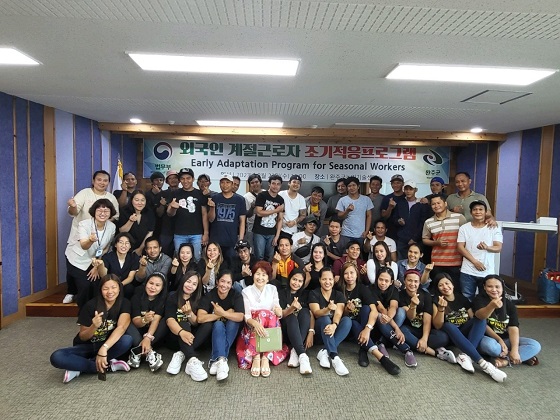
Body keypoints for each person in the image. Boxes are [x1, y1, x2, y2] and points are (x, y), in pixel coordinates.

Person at [50, 275, 133, 383]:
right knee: (57, 356)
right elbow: (83, 337)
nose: (110, 292)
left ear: (119, 288)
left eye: (114, 287)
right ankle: (104, 366)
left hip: (107, 345)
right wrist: (94, 326)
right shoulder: (90, 306)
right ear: (100, 290)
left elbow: (121, 328)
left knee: (127, 340)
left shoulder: (124, 303)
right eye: (105, 288)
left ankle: (79, 367)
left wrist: (104, 349)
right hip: (87, 346)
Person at [432, 273, 507, 382]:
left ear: (453, 284)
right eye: (441, 285)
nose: (445, 287)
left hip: (464, 333)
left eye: (447, 283)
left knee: (480, 319)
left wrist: (498, 338)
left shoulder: (461, 298)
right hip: (450, 334)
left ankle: (465, 356)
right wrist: (441, 308)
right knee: (448, 325)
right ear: (437, 288)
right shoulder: (437, 300)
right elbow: (438, 325)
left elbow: (474, 319)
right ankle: (484, 365)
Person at [63, 170, 119, 303]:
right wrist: (72, 206)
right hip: (80, 241)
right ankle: (72, 293)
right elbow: (73, 211)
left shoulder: (111, 199)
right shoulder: (84, 193)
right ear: (93, 181)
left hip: (97, 248)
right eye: (99, 180)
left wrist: (102, 225)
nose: (102, 182)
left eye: (105, 180)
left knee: (94, 282)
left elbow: (115, 216)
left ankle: (89, 303)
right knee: (79, 276)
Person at [340, 262, 401, 375]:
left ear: (357, 274)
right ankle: (380, 357)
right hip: (347, 328)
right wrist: (347, 310)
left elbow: (374, 310)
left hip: (363, 328)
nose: (349, 276)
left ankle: (363, 349)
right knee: (351, 322)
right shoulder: (339, 289)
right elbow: (340, 316)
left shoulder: (362, 288)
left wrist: (367, 329)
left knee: (366, 308)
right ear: (342, 275)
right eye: (346, 273)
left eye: (352, 273)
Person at [474, 275, 541, 368]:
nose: (494, 290)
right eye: (490, 286)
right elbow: (481, 318)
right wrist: (491, 306)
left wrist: (515, 349)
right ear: (484, 287)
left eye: (497, 287)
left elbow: (513, 327)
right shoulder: (479, 300)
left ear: (502, 287)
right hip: (488, 339)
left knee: (535, 345)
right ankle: (521, 357)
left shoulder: (509, 304)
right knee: (490, 347)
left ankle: (505, 361)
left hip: (506, 339)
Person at [236, 261, 289, 377]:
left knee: (269, 315)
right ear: (253, 275)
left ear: (268, 278)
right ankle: (256, 356)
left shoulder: (272, 289)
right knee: (261, 315)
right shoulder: (246, 291)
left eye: (264, 275)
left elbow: (276, 307)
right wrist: (256, 324)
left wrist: (278, 310)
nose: (260, 278)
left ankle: (265, 357)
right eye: (258, 274)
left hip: (270, 326)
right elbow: (247, 316)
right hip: (252, 327)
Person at [399, 269, 455, 364]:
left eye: (416, 281)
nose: (412, 284)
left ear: (419, 282)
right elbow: (410, 317)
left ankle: (413, 344)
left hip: (425, 330)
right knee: (402, 331)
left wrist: (424, 339)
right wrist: (413, 306)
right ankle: (435, 352)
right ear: (404, 281)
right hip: (410, 329)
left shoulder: (426, 295)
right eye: (409, 280)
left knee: (443, 337)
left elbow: (427, 320)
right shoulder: (400, 295)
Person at [197, 270, 245, 381]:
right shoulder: (210, 295)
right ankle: (222, 360)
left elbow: (240, 317)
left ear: (231, 284)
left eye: (228, 283)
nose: (225, 285)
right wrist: (221, 314)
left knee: (233, 322)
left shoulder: (236, 295)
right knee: (218, 324)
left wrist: (223, 313)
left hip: (231, 331)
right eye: (222, 281)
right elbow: (200, 318)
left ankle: (216, 359)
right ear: (217, 282)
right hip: (215, 334)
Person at [164, 270, 208, 380]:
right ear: (183, 281)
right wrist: (182, 332)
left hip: (192, 338)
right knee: (183, 322)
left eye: (194, 284)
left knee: (207, 325)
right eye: (188, 281)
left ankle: (181, 354)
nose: (190, 286)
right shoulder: (172, 296)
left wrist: (189, 313)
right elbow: (169, 320)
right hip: (175, 336)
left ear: (197, 287)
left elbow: (196, 323)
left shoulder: (199, 299)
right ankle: (192, 358)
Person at [308, 267, 352, 376]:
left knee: (347, 321)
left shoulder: (338, 295)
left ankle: (324, 351)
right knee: (325, 318)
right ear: (319, 280)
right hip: (320, 330)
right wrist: (327, 309)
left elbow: (338, 313)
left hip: (332, 330)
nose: (327, 282)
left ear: (334, 280)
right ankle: (334, 356)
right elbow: (316, 313)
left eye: (330, 279)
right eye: (324, 279)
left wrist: (334, 325)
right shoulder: (313, 293)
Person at [457, 200, 503, 300]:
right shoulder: (464, 228)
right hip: (467, 271)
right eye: (475, 209)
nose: (478, 212)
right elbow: (460, 247)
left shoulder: (493, 227)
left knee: (486, 299)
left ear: (486, 212)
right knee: (466, 298)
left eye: (481, 209)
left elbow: (498, 247)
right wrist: (475, 262)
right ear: (471, 212)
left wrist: (487, 247)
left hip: (487, 271)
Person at [371, 267, 417, 367]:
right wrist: (396, 328)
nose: (383, 283)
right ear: (377, 279)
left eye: (386, 281)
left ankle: (382, 341)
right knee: (380, 316)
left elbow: (393, 307)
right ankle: (406, 349)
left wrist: (390, 318)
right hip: (376, 325)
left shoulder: (394, 290)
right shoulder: (371, 289)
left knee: (401, 312)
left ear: (391, 282)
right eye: (381, 279)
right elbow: (382, 309)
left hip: (389, 323)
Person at [422, 194, 467, 288]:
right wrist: (436, 243)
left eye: (439, 203)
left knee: (455, 289)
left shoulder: (459, 217)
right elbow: (425, 239)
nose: (436, 206)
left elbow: (467, 237)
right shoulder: (428, 222)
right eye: (433, 204)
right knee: (439, 289)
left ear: (445, 203)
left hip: (456, 262)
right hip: (437, 262)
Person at [126, 272, 168, 372]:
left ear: (162, 288)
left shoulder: (163, 299)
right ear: (146, 283)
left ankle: (138, 351)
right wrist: (144, 320)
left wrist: (148, 338)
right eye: (151, 283)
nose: (153, 287)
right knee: (126, 322)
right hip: (138, 332)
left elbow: (156, 320)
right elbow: (135, 321)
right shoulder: (136, 297)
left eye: (157, 285)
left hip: (153, 335)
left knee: (166, 321)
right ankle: (149, 352)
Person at [167, 167, 209, 261]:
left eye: (188, 178)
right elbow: (169, 214)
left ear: (193, 179)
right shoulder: (175, 193)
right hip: (179, 233)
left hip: (197, 234)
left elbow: (204, 215)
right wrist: (173, 208)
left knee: (197, 259)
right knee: (180, 259)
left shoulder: (200, 194)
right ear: (180, 180)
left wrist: (206, 233)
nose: (185, 181)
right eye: (182, 178)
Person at [278, 269, 314, 375]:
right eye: (294, 279)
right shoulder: (281, 293)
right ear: (289, 279)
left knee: (305, 311)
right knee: (291, 317)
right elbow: (280, 314)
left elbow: (311, 314)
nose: (296, 283)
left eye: (300, 281)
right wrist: (292, 308)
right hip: (285, 330)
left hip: (300, 332)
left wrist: (311, 331)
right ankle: (302, 355)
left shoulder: (305, 294)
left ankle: (295, 351)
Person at [207, 174, 247, 262]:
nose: (225, 185)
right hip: (216, 240)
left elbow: (242, 221)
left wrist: (240, 239)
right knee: (215, 264)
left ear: (232, 184)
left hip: (231, 241)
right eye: (222, 182)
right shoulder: (214, 198)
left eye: (227, 182)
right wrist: (212, 208)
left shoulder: (240, 199)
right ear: (219, 184)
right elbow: (210, 219)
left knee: (231, 264)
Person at [95, 232, 140, 299]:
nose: (124, 245)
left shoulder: (134, 257)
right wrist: (101, 265)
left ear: (130, 246)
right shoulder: (108, 257)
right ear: (115, 244)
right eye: (121, 242)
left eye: (127, 243)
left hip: (124, 284)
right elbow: (104, 275)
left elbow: (130, 277)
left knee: (129, 288)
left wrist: (119, 285)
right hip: (109, 284)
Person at [252, 174, 285, 261]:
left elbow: (280, 219)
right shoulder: (262, 195)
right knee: (259, 257)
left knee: (270, 258)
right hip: (259, 232)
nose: (275, 186)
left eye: (278, 184)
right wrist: (276, 210)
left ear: (280, 186)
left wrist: (277, 236)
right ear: (269, 184)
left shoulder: (280, 200)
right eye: (273, 183)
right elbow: (259, 213)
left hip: (272, 233)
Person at [336, 176, 373, 247]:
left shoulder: (366, 199)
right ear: (347, 188)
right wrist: (347, 211)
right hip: (346, 234)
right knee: (346, 253)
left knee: (359, 253)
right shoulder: (342, 200)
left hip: (361, 234)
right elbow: (339, 216)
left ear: (358, 186)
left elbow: (369, 216)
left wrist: (366, 231)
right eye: (349, 186)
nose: (352, 188)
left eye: (354, 185)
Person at [118, 190, 155, 256]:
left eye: (142, 200)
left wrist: (140, 249)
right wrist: (130, 221)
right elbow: (122, 231)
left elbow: (150, 232)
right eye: (137, 200)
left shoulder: (149, 212)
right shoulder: (124, 211)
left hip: (143, 247)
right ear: (131, 200)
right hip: (126, 247)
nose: (140, 203)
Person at [156, 169, 180, 256]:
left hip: (181, 230)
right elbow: (159, 214)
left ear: (179, 180)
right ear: (166, 181)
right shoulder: (162, 194)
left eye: (175, 178)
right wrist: (162, 205)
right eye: (170, 178)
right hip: (166, 230)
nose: (173, 180)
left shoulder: (183, 193)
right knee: (164, 254)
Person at [279, 174, 307, 239]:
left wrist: (294, 222)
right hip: (280, 229)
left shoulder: (301, 198)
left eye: (298, 183)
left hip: (293, 231)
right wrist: (281, 221)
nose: (296, 184)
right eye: (294, 182)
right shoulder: (281, 194)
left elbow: (303, 215)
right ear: (289, 183)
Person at [380, 174, 406, 240]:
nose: (395, 185)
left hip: (405, 231)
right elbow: (384, 216)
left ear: (403, 184)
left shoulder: (407, 197)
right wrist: (390, 207)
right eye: (393, 183)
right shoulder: (387, 198)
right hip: (390, 231)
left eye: (398, 183)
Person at [243, 173, 264, 248]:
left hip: (265, 226)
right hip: (251, 227)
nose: (255, 184)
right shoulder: (246, 197)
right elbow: (247, 215)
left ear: (260, 183)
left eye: (256, 182)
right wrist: (252, 207)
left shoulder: (266, 193)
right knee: (251, 248)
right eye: (252, 183)